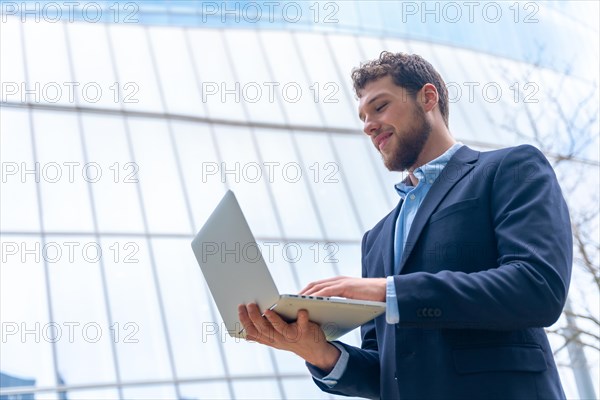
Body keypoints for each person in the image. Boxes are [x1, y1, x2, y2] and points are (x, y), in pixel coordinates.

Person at [238, 52, 572, 399]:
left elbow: (537, 287)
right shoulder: (376, 239)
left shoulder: (511, 167)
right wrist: (317, 351)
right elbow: (385, 373)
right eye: (363, 117)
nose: (368, 125)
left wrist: (388, 290)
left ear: (428, 98)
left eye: (380, 107)